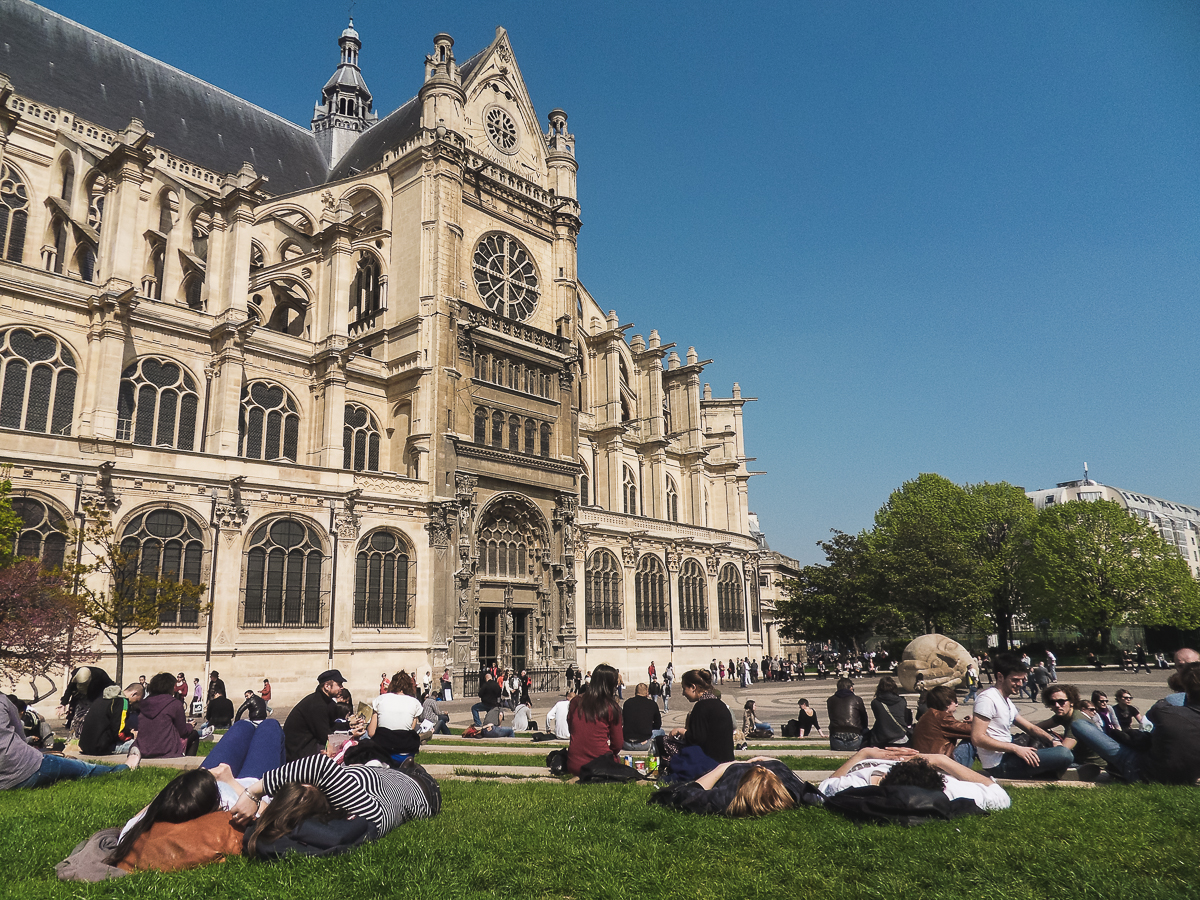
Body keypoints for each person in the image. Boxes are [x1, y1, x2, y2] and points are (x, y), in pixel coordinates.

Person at [230, 751, 441, 857]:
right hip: (421, 784)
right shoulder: (361, 807)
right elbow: (318, 765)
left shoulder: (346, 812)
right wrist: (253, 793)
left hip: (392, 779)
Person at [1070, 662, 1200, 785]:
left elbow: (1151, 716)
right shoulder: (1167, 712)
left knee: (1079, 725)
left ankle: (1077, 766)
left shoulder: (1164, 710)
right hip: (1188, 776)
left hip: (1141, 772)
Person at [969, 652, 1073, 780]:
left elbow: (1030, 728)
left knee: (1062, 750)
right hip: (999, 764)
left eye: (1022, 679)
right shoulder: (987, 699)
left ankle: (1056, 769)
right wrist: (1015, 748)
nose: (1020, 684)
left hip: (1010, 756)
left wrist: (1053, 741)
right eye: (1015, 680)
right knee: (1064, 754)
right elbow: (977, 738)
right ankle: (1057, 771)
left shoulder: (1006, 700)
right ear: (1000, 677)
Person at [1, 694, 136, 789]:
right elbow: (20, 737)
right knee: (82, 768)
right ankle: (122, 769)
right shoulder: (3, 701)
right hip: (21, 769)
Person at [817, 747, 1010, 811]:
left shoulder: (857, 784)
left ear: (886, 776)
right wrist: (941, 759)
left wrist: (864, 753)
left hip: (874, 760)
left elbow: (822, 789)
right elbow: (1000, 795)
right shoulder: (950, 790)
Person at [650, 756, 814, 817]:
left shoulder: (724, 798)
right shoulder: (793, 792)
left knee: (694, 755)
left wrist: (722, 768)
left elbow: (685, 794)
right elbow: (783, 769)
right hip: (773, 768)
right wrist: (769, 761)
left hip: (739, 770)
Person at [283, 669, 357, 763]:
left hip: (307, 746)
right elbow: (326, 736)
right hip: (300, 752)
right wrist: (351, 735)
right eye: (339, 684)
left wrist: (349, 725)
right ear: (327, 686)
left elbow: (330, 726)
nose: (342, 688)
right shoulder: (317, 705)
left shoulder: (325, 701)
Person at [566, 664, 623, 776]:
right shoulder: (612, 707)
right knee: (617, 760)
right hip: (600, 765)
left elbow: (571, 728)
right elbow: (617, 744)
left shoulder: (576, 701)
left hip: (574, 763)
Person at [669, 668, 735, 764]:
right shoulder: (720, 704)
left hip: (710, 761)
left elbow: (696, 739)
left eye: (684, 689)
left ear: (693, 687)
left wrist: (681, 731)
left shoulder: (701, 707)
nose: (683, 693)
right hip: (726, 759)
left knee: (662, 741)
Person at [1035, 684, 1103, 777]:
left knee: (1046, 764)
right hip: (1078, 756)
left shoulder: (1076, 721)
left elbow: (1062, 752)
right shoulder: (1063, 715)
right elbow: (1036, 728)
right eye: (1052, 702)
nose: (1057, 705)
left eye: (1061, 701)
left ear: (1072, 701)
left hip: (1089, 763)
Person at [135, 673, 201, 758]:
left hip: (143, 749)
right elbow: (182, 731)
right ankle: (187, 763)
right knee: (194, 734)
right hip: (166, 749)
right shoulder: (174, 703)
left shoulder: (143, 703)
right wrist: (190, 726)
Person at [911, 685, 974, 766]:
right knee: (972, 742)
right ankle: (993, 768)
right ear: (947, 703)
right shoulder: (942, 717)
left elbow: (956, 727)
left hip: (926, 762)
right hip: (940, 765)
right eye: (955, 701)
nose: (957, 705)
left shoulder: (929, 715)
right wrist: (977, 720)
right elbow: (974, 731)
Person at [79, 683, 143, 756]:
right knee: (141, 745)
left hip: (85, 746)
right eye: (137, 701)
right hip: (101, 747)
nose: (135, 704)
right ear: (134, 694)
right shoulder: (123, 701)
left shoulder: (102, 698)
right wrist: (131, 735)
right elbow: (120, 734)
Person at [59, 666, 116, 740]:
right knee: (76, 719)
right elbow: (70, 688)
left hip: (95, 697)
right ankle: (75, 737)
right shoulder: (76, 674)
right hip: (79, 698)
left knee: (88, 718)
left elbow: (111, 686)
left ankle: (88, 737)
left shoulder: (100, 674)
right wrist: (63, 703)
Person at [827, 678, 868, 751]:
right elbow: (864, 718)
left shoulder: (830, 700)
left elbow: (831, 716)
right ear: (850, 688)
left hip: (836, 739)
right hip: (855, 738)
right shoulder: (857, 699)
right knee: (867, 731)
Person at [869, 676, 910, 747]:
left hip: (883, 739)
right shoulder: (902, 701)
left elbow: (880, 719)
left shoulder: (875, 703)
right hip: (901, 737)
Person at [622, 683, 662, 750]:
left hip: (627, 743)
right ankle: (655, 753)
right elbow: (658, 725)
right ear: (647, 692)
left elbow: (624, 721)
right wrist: (648, 725)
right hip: (643, 743)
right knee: (661, 732)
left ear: (635, 692)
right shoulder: (652, 704)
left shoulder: (627, 703)